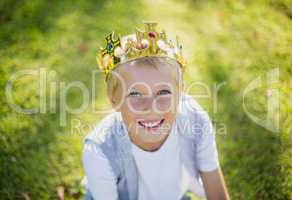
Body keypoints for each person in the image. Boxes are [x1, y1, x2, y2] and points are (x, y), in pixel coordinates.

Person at [82, 21, 230, 200]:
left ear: (180, 92)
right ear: (114, 100)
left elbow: (213, 179)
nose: (151, 107)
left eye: (163, 92)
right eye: (135, 94)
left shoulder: (195, 121)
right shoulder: (100, 151)